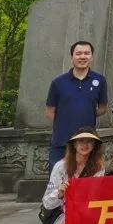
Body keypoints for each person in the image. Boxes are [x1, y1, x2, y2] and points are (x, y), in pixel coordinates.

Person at [41, 127, 105, 224]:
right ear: (74, 144)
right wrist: (59, 193)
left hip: (88, 209)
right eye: (81, 141)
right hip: (63, 210)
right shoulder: (60, 166)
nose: (85, 145)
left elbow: (97, 193)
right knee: (69, 222)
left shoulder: (99, 167)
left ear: (94, 145)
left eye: (89, 141)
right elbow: (47, 201)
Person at [44, 40, 108, 169]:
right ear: (71, 57)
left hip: (87, 143)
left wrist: (85, 114)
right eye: (78, 53)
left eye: (87, 53)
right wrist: (65, 120)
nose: (83, 56)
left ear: (92, 57)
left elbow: (102, 108)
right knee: (58, 179)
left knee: (86, 178)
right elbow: (49, 111)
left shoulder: (100, 80)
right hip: (62, 142)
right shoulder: (58, 82)